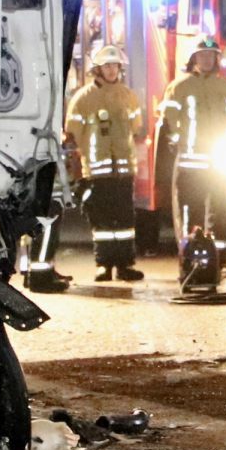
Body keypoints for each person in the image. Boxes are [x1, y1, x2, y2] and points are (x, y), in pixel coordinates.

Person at [65, 44, 146, 282]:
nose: (111, 71)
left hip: (123, 170)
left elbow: (135, 127)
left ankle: (124, 265)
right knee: (101, 219)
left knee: (125, 220)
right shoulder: (83, 98)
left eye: (114, 66)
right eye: (106, 66)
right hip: (97, 171)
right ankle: (104, 265)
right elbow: (73, 132)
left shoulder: (127, 96)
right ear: (97, 70)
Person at [158, 36, 226, 252]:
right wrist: (179, 142)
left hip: (218, 161)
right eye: (202, 55)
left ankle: (219, 257)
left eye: (211, 55)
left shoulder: (224, 88)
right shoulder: (179, 87)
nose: (207, 59)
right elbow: (169, 122)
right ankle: (190, 255)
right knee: (189, 211)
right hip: (190, 163)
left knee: (220, 209)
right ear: (193, 58)